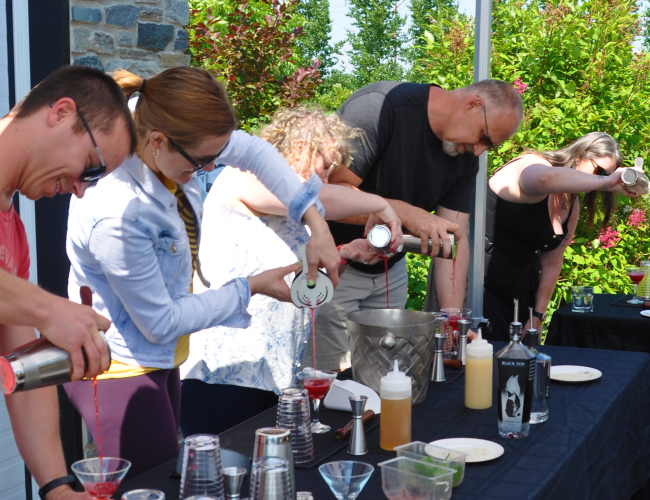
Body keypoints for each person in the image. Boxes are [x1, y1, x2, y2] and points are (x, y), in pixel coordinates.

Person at [64, 67, 341, 479]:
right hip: (117, 366)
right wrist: (250, 288)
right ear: (158, 143)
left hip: (163, 357)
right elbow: (160, 321)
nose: (209, 170)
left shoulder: (162, 123)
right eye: (201, 163)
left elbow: (255, 153)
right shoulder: (116, 215)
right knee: (151, 484)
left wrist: (316, 223)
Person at [180, 106, 403, 436]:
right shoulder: (243, 177)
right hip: (224, 373)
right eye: (324, 166)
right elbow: (312, 196)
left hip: (275, 377)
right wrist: (380, 205)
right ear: (301, 148)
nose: (325, 179)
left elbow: (282, 269)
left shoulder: (289, 205)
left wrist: (342, 253)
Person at [305, 79, 524, 371]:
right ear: (473, 104)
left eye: (489, 146)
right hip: (333, 266)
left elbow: (454, 240)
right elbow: (323, 196)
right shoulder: (381, 107)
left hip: (389, 272)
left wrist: (451, 320)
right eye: (483, 137)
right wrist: (406, 213)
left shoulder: (464, 157)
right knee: (334, 383)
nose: (478, 151)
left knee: (385, 377)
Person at [0, 66, 136, 500]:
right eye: (91, 169)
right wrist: (49, 309)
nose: (81, 190)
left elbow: (20, 367)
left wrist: (56, 486)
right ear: (60, 113)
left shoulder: (13, 231)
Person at [483, 132, 638, 341]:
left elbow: (553, 261)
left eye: (606, 174)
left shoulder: (571, 205)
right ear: (581, 155)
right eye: (599, 171)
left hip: (519, 292)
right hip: (481, 282)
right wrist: (608, 182)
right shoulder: (533, 163)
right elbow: (544, 179)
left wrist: (537, 316)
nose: (600, 180)